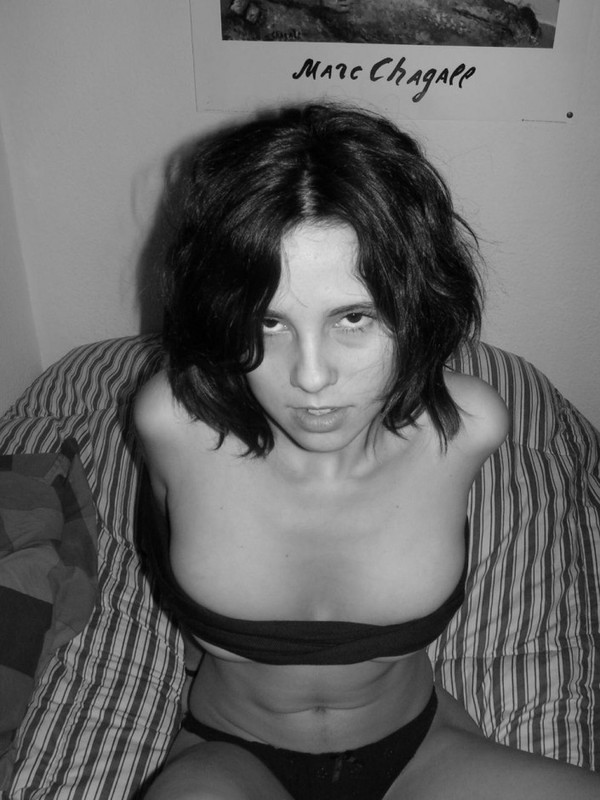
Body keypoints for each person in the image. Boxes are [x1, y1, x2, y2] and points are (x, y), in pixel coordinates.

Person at [135, 103, 600, 799]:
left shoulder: (468, 427)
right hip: (233, 752)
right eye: (269, 322)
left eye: (353, 317)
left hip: (421, 750)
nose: (310, 377)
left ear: (416, 308)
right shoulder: (172, 423)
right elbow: (158, 535)